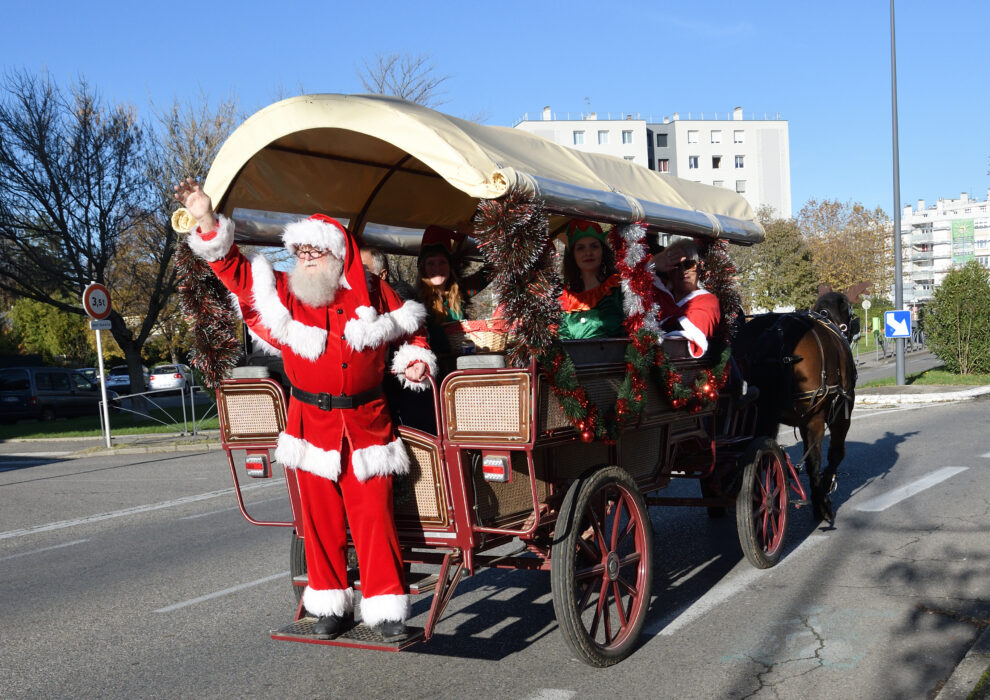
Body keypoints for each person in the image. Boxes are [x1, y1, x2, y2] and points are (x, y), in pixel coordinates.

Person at [173, 178, 436, 642]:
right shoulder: (283, 294)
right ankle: (331, 603)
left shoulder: (374, 293)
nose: (307, 259)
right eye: (300, 252)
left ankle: (387, 610)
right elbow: (232, 269)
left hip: (366, 424)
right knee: (318, 521)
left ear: (338, 255)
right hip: (310, 424)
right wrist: (206, 219)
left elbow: (412, 332)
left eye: (316, 252)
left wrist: (414, 361)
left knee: (374, 519)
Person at [416, 225, 489, 354]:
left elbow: (495, 267)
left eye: (442, 262)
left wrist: (480, 236)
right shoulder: (415, 301)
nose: (437, 268)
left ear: (450, 267)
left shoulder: (462, 291)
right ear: (423, 269)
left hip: (462, 366)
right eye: (431, 263)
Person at [652, 238, 720, 358]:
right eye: (676, 265)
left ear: (699, 268)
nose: (683, 271)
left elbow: (687, 330)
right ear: (668, 270)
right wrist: (651, 264)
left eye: (689, 265)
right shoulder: (659, 291)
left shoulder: (708, 301)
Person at [558, 219, 625, 339]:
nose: (588, 252)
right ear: (573, 255)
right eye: (580, 248)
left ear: (602, 252)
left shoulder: (618, 288)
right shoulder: (565, 298)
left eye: (594, 246)